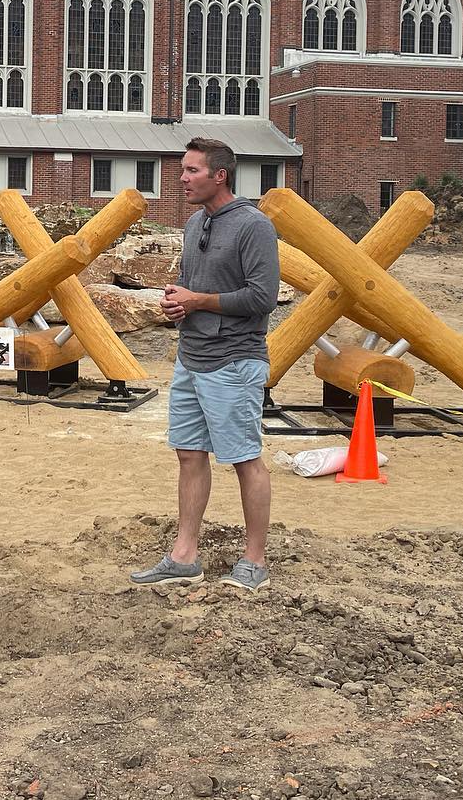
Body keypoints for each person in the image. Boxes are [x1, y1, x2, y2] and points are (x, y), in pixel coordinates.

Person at [131, 138, 279, 593]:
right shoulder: (195, 222)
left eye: (192, 170)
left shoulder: (254, 226)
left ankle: (254, 561)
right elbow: (193, 285)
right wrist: (179, 302)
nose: (181, 178)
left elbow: (262, 297)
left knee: (243, 459)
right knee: (189, 454)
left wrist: (199, 300)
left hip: (235, 362)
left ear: (220, 176)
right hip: (191, 359)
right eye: (183, 170)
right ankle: (184, 556)